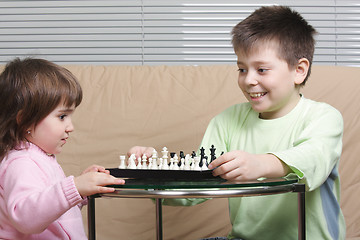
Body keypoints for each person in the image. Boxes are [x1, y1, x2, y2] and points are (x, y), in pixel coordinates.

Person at [128, 5, 346, 240]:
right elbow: (194, 190)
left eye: (261, 69)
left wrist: (261, 164)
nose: (249, 80)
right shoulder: (227, 121)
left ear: (299, 70)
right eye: (242, 69)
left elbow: (314, 159)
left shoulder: (323, 118)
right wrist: (152, 172)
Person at [0, 58, 125, 239]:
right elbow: (26, 217)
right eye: (62, 117)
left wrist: (81, 192)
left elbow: (51, 214)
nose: (70, 127)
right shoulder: (21, 163)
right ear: (25, 119)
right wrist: (73, 187)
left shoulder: (41, 157)